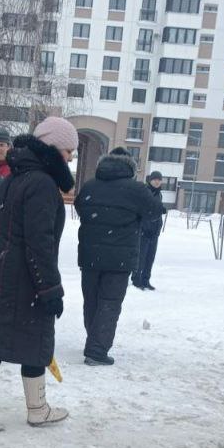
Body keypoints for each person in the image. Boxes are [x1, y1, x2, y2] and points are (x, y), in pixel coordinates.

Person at [0, 116, 76, 430]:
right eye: (68, 150)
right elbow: (40, 243)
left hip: (1, 270)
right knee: (35, 338)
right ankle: (36, 408)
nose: (70, 158)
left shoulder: (16, 177)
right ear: (52, 147)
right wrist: (50, 289)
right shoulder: (41, 184)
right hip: (25, 278)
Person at [75, 147, 154, 365]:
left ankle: (94, 339)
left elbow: (80, 206)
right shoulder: (136, 190)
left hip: (90, 254)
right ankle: (97, 350)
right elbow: (154, 211)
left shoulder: (90, 186)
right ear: (131, 167)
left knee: (91, 300)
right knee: (109, 302)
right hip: (120, 257)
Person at [131, 169, 166, 290]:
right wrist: (144, 227)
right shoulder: (145, 192)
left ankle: (145, 280)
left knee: (150, 257)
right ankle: (136, 280)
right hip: (144, 231)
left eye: (159, 180)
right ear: (150, 180)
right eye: (155, 179)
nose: (157, 182)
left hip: (154, 232)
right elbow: (142, 210)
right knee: (141, 257)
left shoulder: (159, 194)